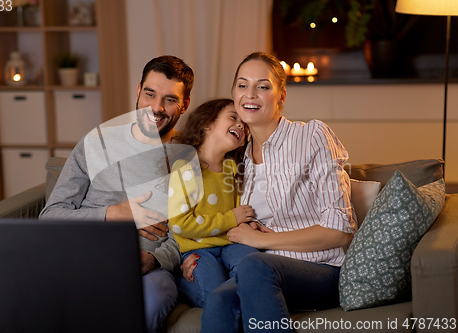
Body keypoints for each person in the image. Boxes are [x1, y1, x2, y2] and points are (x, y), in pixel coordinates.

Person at [196, 52, 357, 332]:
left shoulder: (311, 137)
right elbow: (204, 215)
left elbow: (339, 229)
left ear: (280, 96)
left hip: (321, 271)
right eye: (242, 85)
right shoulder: (237, 157)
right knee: (219, 302)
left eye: (263, 86)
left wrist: (261, 240)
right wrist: (190, 257)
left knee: (256, 266)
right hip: (258, 270)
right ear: (234, 93)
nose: (250, 94)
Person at [39, 55, 194, 333]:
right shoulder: (96, 143)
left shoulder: (190, 155)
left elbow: (191, 230)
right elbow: (50, 217)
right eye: (149, 94)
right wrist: (115, 213)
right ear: (138, 91)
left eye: (170, 99)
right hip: (86, 260)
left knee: (154, 300)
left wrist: (155, 259)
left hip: (150, 272)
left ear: (185, 104)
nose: (156, 108)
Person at [167, 99, 258, 309]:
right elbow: (180, 224)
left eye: (243, 124)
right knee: (215, 297)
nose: (240, 125)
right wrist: (231, 219)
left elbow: (240, 213)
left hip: (231, 245)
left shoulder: (233, 168)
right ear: (207, 123)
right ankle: (181, 284)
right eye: (233, 117)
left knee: (254, 269)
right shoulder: (187, 168)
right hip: (200, 250)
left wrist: (248, 224)